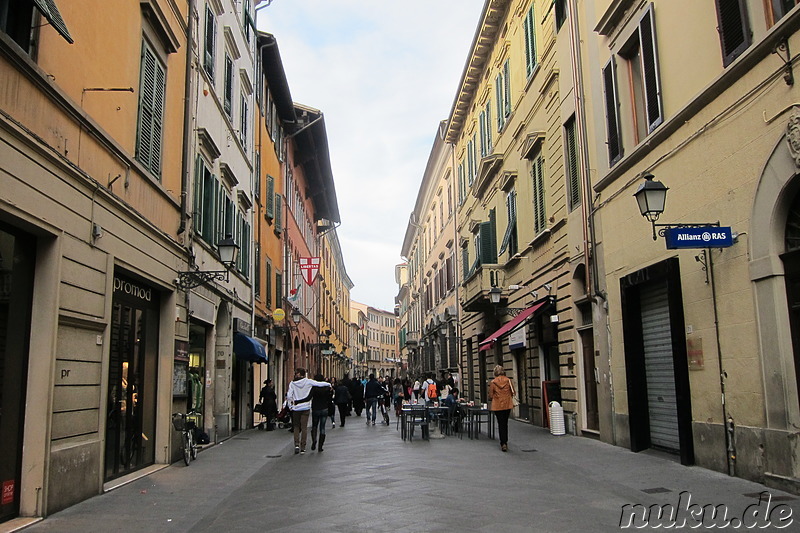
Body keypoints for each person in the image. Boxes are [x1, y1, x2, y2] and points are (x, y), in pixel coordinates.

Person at [286, 368, 331, 454]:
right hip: (305, 408)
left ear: (298, 374)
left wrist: (290, 405)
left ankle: (296, 445)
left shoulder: (292, 383)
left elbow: (289, 395)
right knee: (304, 428)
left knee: (296, 427)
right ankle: (303, 447)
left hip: (296, 408)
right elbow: (319, 384)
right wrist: (328, 384)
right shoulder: (308, 382)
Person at [489, 365, 515, 452]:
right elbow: (513, 392)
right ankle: (505, 442)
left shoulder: (493, 382)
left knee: (500, 423)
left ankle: (502, 442)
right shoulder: (508, 380)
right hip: (507, 404)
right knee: (505, 423)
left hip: (497, 405)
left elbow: (491, 395)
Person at [308, 374, 333, 452]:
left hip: (315, 408)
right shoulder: (326, 388)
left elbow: (309, 397)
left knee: (314, 426)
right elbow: (330, 397)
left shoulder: (314, 388)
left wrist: (299, 401)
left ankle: (314, 440)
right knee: (322, 427)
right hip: (324, 408)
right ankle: (320, 446)